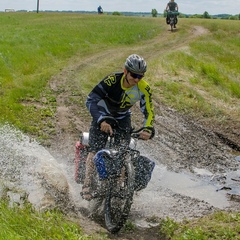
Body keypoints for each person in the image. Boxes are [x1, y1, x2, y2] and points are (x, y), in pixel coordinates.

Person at [81, 54, 155, 200]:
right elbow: (91, 100)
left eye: (140, 76)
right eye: (134, 75)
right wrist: (101, 120)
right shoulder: (112, 80)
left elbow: (149, 111)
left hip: (122, 118)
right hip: (104, 114)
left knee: (123, 152)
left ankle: (118, 187)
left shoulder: (144, 88)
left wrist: (148, 128)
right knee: (95, 148)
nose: (137, 79)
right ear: (125, 71)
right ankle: (87, 184)